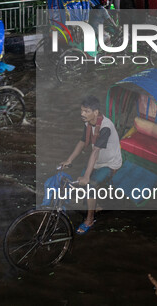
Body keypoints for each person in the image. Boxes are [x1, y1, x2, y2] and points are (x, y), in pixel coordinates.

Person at [60, 96, 122, 235]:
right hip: (98, 160)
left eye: (86, 111)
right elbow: (82, 142)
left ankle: (89, 219)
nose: (82, 114)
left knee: (91, 185)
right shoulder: (88, 123)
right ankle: (95, 205)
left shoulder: (105, 127)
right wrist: (69, 160)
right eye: (82, 110)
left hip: (110, 163)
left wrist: (87, 176)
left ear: (96, 112)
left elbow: (95, 151)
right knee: (80, 180)